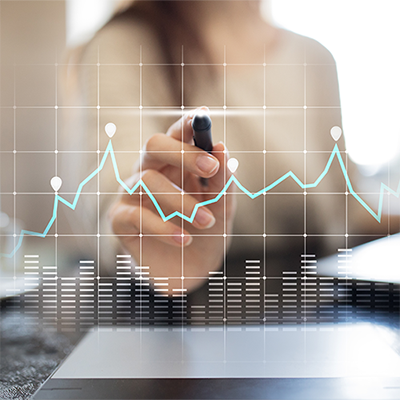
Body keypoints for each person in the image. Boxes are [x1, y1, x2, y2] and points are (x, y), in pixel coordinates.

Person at [60, 0, 395, 298]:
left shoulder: (314, 58)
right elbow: (115, 207)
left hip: (320, 317)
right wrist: (148, 250)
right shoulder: (122, 46)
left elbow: (347, 207)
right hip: (180, 322)